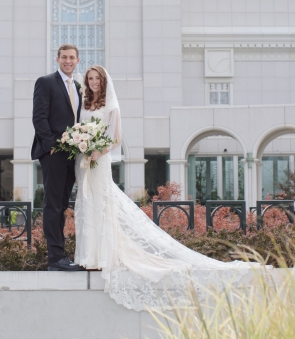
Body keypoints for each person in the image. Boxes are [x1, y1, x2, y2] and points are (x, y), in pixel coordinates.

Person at [73, 65, 261, 311]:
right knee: (87, 204)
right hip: (84, 162)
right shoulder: (84, 104)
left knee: (102, 205)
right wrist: (81, 145)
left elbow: (116, 138)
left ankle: (102, 256)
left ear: (104, 81)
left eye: (97, 78)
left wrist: (98, 151)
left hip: (100, 160)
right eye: (90, 78)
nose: (94, 82)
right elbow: (79, 129)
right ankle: (89, 256)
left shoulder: (112, 106)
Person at [31, 43, 84, 272]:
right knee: (52, 205)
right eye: (64, 57)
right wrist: (51, 145)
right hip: (54, 153)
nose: (68, 61)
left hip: (72, 154)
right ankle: (55, 258)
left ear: (77, 60)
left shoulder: (78, 87)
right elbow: (39, 117)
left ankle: (61, 254)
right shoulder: (46, 82)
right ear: (57, 59)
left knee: (62, 205)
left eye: (72, 57)